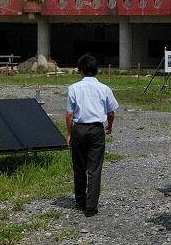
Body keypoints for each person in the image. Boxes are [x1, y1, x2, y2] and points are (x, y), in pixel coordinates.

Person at [65, 53, 119, 218]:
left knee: (79, 166)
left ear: (80, 70)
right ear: (96, 71)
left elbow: (69, 114)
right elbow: (111, 112)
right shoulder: (104, 88)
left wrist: (69, 133)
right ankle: (91, 205)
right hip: (96, 129)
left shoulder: (73, 88)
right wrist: (109, 126)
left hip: (79, 128)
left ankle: (80, 201)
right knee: (94, 168)